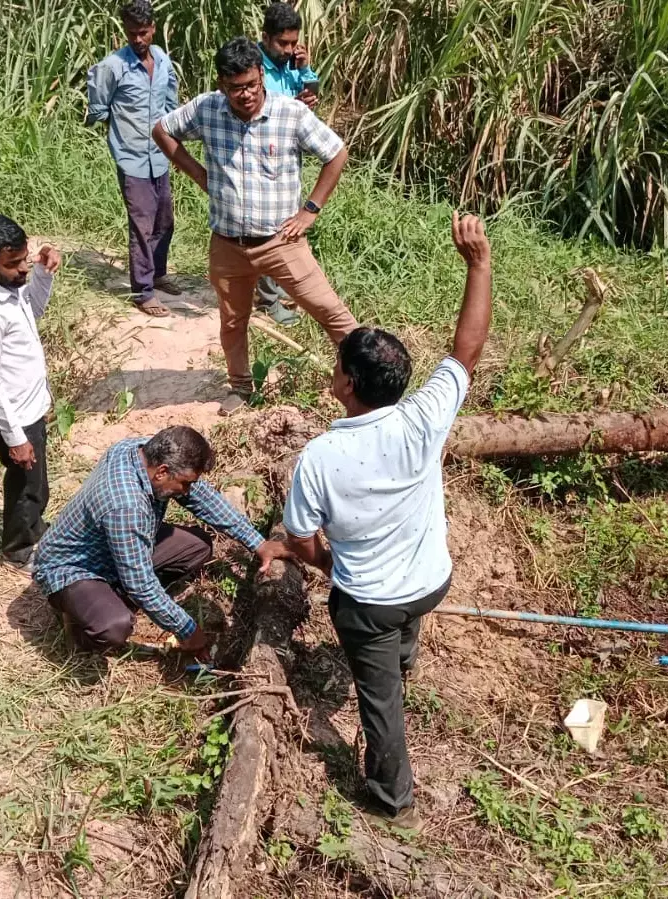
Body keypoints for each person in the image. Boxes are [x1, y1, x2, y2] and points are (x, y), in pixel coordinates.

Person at [280, 212, 493, 829]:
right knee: (399, 623)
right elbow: (467, 349)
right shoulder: (424, 417)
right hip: (430, 581)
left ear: (346, 381)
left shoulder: (320, 456)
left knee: (381, 708)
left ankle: (391, 799)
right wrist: (478, 263)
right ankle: (404, 655)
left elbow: (298, 539)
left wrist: (327, 562)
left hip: (369, 602)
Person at [153, 36, 358, 410]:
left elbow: (336, 152)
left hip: (282, 242)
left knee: (331, 311)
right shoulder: (208, 108)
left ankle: (366, 379)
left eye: (250, 85)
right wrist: (201, 175)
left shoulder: (289, 114)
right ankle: (240, 386)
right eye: (234, 88)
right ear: (221, 84)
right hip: (228, 243)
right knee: (233, 321)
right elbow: (162, 130)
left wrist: (310, 209)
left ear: (261, 75)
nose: (244, 95)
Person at [35, 426, 292, 654]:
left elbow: (202, 497)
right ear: (162, 472)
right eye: (185, 484)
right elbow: (141, 584)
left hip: (114, 547)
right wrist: (187, 630)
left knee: (197, 546)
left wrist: (258, 543)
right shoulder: (126, 506)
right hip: (72, 569)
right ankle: (79, 630)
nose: (188, 491)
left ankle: (111, 596)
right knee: (114, 626)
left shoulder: (142, 451)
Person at [0, 212, 63, 574]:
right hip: (13, 416)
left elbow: (31, 313)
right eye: (14, 264)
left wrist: (42, 274)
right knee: (26, 486)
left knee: (36, 483)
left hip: (28, 408)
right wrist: (16, 439)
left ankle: (34, 529)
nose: (22, 269)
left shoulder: (7, 286)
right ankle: (19, 548)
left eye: (25, 259)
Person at [86, 0, 181, 317]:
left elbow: (171, 104)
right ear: (124, 32)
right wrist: (122, 134)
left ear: (152, 28)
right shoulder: (112, 66)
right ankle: (142, 292)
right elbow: (98, 109)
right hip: (132, 157)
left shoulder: (163, 61)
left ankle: (157, 272)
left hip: (160, 155)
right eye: (131, 34)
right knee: (141, 225)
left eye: (143, 32)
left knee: (164, 220)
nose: (138, 39)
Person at [251, 0, 324, 326]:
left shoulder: (287, 64)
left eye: (294, 43)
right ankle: (267, 299)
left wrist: (305, 74)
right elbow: (258, 107)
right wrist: (290, 106)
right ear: (266, 37)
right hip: (261, 154)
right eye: (283, 43)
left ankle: (274, 289)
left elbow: (308, 91)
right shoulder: (256, 66)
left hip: (286, 155)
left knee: (284, 224)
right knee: (269, 228)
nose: (289, 48)